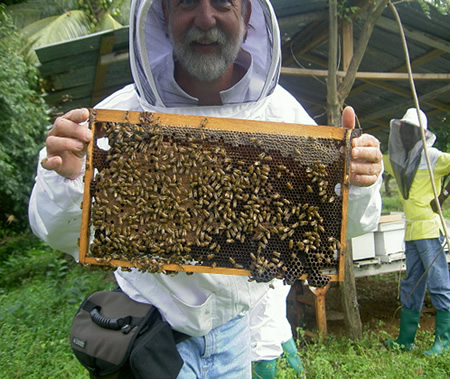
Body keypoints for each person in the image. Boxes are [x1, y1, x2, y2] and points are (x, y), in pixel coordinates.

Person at [29, 0, 383, 376]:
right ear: (163, 17)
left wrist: (357, 181)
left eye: (222, 4)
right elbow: (56, 232)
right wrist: (67, 178)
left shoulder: (281, 114)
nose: (205, 18)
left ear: (247, 18)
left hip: (237, 338)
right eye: (186, 3)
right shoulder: (119, 117)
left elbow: (341, 228)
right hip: (147, 335)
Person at [384, 108, 450, 356]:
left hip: (430, 230)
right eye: (405, 130)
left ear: (423, 133)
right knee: (412, 284)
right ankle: (405, 339)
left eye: (413, 130)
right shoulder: (398, 160)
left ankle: (444, 341)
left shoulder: (432, 156)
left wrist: (443, 195)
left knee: (439, 284)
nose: (408, 134)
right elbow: (374, 160)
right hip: (411, 231)